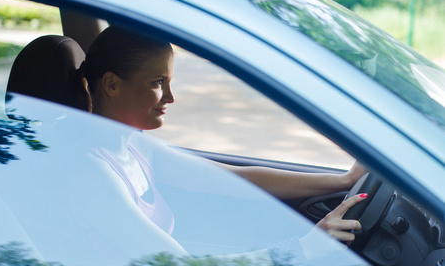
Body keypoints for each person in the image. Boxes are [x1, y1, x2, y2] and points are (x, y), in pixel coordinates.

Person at [73, 25, 367, 243]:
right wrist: (307, 249)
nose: (171, 97)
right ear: (111, 85)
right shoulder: (91, 173)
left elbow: (237, 179)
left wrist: (345, 180)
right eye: (158, 82)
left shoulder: (134, 147)